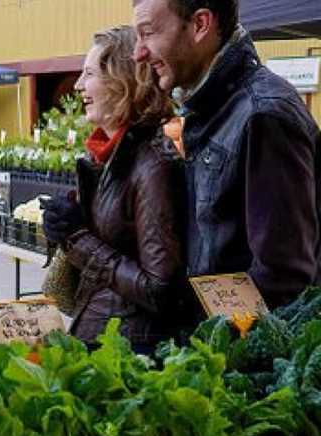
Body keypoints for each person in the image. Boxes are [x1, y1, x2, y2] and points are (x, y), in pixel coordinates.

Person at [133, 0, 321, 310]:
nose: (138, 52)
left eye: (149, 33)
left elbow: (282, 279)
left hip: (243, 349)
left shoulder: (263, 113)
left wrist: (217, 343)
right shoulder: (210, 109)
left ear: (200, 25)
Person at [42, 25, 186, 353]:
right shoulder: (111, 154)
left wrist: (78, 237)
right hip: (108, 335)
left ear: (123, 81)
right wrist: (63, 226)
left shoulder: (152, 164)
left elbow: (159, 290)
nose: (78, 86)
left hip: (130, 350)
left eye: (89, 74)